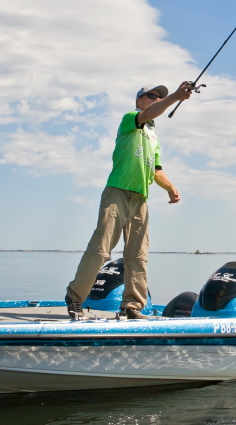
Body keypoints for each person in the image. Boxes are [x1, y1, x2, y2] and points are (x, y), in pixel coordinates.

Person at [66, 82, 194, 319]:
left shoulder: (153, 135)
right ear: (139, 101)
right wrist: (176, 96)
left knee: (138, 255)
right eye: (152, 96)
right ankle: (74, 299)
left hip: (140, 198)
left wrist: (170, 187)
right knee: (101, 249)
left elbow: (156, 170)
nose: (156, 100)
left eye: (159, 97)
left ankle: (132, 306)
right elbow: (150, 114)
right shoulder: (131, 119)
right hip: (117, 192)